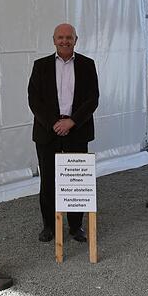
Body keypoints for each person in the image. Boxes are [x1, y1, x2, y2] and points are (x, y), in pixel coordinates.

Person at [28, 23, 99, 243]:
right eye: (61, 37)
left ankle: (75, 226)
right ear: (54, 40)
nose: (65, 41)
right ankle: (48, 226)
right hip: (47, 131)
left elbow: (92, 99)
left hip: (76, 130)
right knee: (48, 181)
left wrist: (72, 122)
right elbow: (34, 99)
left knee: (75, 181)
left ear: (76, 40)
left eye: (69, 37)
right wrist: (54, 123)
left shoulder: (88, 65)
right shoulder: (40, 66)